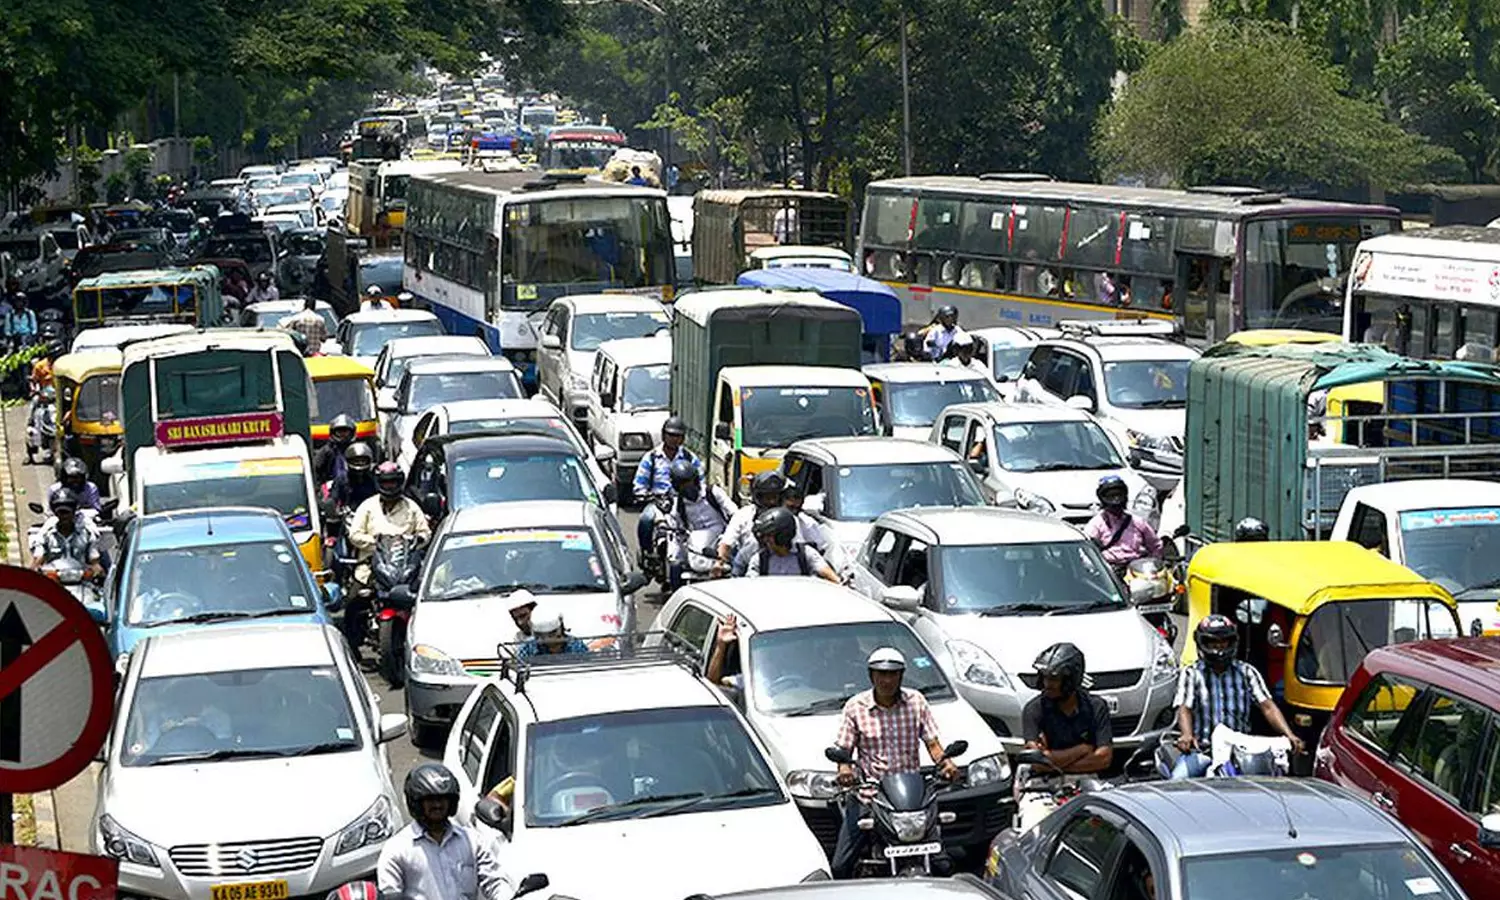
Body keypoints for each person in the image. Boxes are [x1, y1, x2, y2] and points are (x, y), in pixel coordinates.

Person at [831, 648, 959, 878]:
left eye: (893, 674)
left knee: (943, 864)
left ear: (901, 676)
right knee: (841, 865)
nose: (887, 680)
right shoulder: (855, 707)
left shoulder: (916, 702)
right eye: (881, 674)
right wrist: (844, 769)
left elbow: (933, 744)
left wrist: (946, 763)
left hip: (911, 797)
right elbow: (843, 750)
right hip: (871, 795)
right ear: (872, 676)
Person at [1168, 614, 1305, 779]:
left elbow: (1268, 707)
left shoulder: (1247, 672)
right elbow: (1184, 709)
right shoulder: (1191, 674)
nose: (1219, 647)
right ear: (1202, 643)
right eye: (1213, 642)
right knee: (1178, 781)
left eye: (1223, 642)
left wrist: (1289, 735)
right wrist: (1187, 735)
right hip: (1203, 751)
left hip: (1241, 753)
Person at [377, 764, 513, 900]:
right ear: (416, 803)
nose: (437, 805)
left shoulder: (472, 841)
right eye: (430, 800)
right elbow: (389, 894)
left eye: (442, 799)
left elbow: (494, 882)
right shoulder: (396, 849)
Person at [347, 463, 431, 655]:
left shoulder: (411, 507)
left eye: (394, 482)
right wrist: (376, 543)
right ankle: (352, 647)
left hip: (407, 565)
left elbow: (425, 532)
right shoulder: (367, 507)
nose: (390, 486)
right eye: (386, 482)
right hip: (372, 565)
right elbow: (355, 534)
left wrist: (419, 539)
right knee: (353, 601)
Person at [1021, 642, 1112, 775]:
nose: (1047, 684)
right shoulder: (1034, 709)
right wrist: (1082, 750)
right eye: (1044, 677)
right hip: (1045, 781)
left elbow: (1104, 758)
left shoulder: (1096, 707)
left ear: (1071, 679)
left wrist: (1054, 763)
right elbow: (1037, 762)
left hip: (1088, 779)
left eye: (1054, 679)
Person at [631, 415, 700, 554]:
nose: (674, 439)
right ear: (663, 435)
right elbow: (639, 484)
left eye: (678, 436)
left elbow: (701, 483)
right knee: (646, 520)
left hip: (684, 502)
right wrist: (645, 495)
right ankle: (648, 552)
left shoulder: (690, 458)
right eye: (671, 435)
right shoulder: (651, 457)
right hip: (658, 502)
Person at [660, 458, 735, 586]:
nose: (687, 486)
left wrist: (730, 537)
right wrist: (674, 557)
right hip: (696, 545)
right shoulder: (678, 506)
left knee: (741, 561)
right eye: (682, 483)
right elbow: (677, 533)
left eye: (689, 482)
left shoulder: (713, 492)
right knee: (675, 566)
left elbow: (734, 513)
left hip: (721, 538)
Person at [716, 471, 792, 574]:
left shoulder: (791, 518)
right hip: (747, 571)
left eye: (775, 497)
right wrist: (719, 562)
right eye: (767, 497)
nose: (772, 502)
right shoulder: (743, 515)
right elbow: (727, 542)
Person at [1084, 475, 1161, 572]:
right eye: (1111, 496)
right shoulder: (1096, 524)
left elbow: (1155, 545)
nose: (1116, 499)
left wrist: (1153, 566)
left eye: (1118, 495)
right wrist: (1099, 571)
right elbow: (1087, 552)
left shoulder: (1137, 522)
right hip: (1110, 572)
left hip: (1137, 571)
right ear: (1103, 498)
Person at [742, 507, 839, 582]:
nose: (766, 540)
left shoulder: (805, 554)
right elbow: (751, 585)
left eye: (770, 535)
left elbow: (826, 572)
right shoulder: (760, 559)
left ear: (784, 534)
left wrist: (838, 583)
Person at [30, 489, 103, 580]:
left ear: (74, 512)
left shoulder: (86, 532)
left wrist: (97, 570)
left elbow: (94, 560)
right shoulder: (47, 533)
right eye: (61, 512)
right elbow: (39, 557)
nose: (64, 516)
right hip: (53, 582)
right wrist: (35, 569)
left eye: (67, 512)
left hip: (83, 583)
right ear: (55, 512)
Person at [516, 604, 590, 658]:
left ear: (561, 629)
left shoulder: (576, 644)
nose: (547, 639)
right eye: (541, 636)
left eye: (552, 634)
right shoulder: (528, 647)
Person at [330, 442, 378, 511]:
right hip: (348, 514)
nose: (359, 463)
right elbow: (334, 497)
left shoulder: (374, 479)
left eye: (363, 461)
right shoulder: (342, 479)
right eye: (356, 461)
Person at [315, 415, 359, 486]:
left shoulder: (357, 449)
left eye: (345, 432)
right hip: (330, 486)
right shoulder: (326, 451)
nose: (343, 435)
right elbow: (316, 470)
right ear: (333, 432)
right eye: (339, 432)